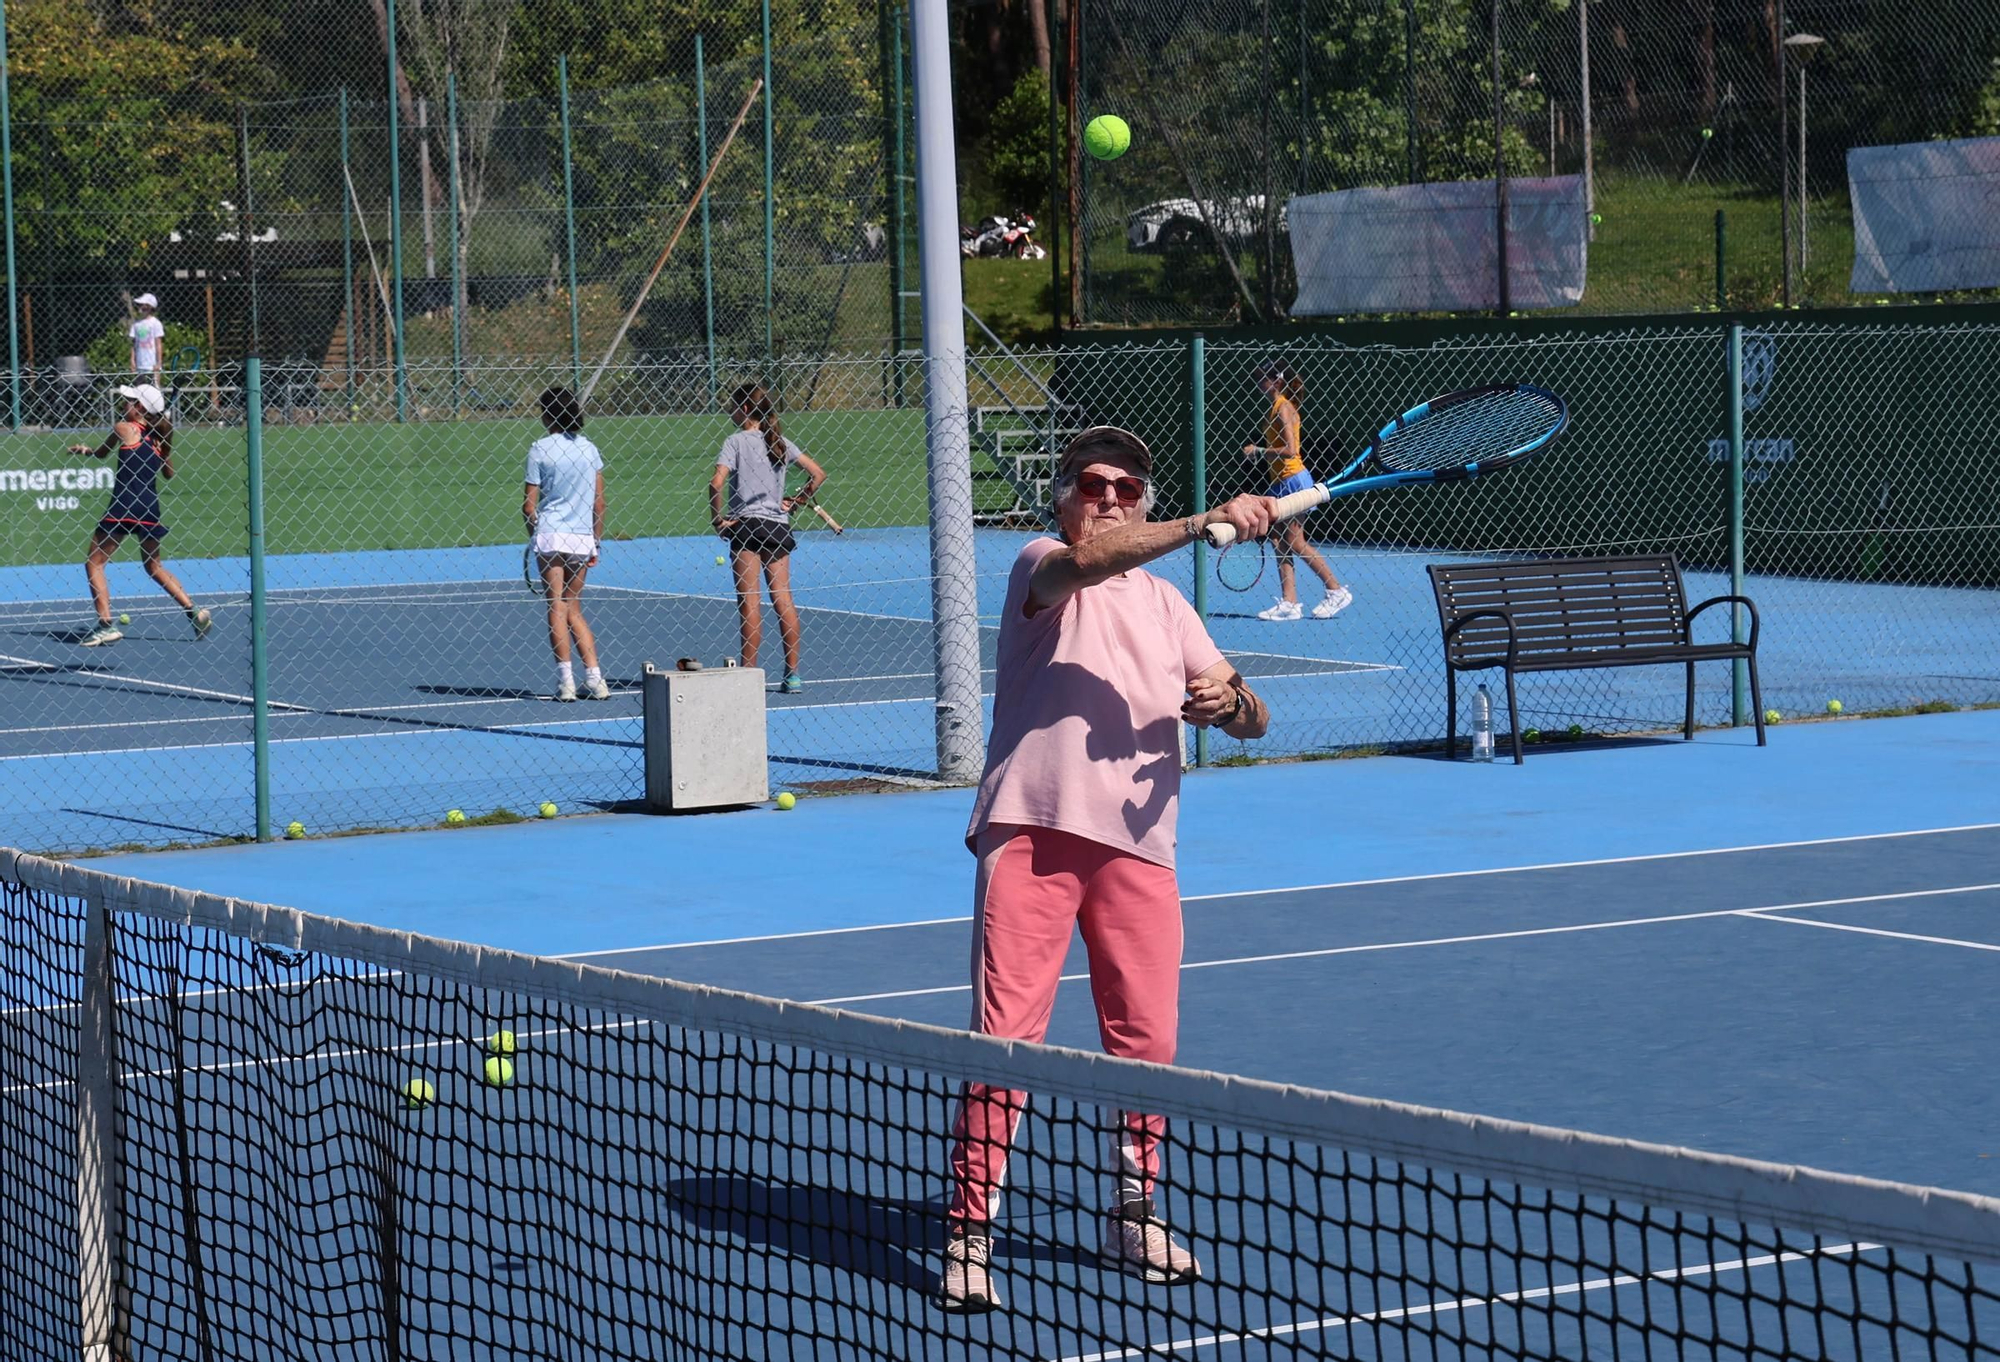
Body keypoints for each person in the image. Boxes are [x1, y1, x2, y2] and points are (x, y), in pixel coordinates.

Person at [938, 425, 1277, 1313]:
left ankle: (1135, 1213)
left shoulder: (1169, 607)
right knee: (1005, 1043)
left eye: (1128, 486)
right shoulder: (1040, 564)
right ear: (1063, 495)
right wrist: (1209, 520)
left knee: (1148, 1048)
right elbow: (1091, 564)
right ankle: (971, 1231)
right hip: (1034, 832)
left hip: (1141, 848)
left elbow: (1256, 718)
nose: (1112, 498)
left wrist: (1227, 702)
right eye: (1094, 483)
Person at [68, 383, 210, 646]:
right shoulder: (159, 442)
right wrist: (164, 446)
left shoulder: (124, 428)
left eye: (129, 400)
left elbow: (102, 453)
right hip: (149, 508)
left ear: (140, 408)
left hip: (124, 504)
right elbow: (168, 474)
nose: (123, 404)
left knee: (95, 563)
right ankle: (194, 612)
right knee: (153, 566)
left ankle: (105, 625)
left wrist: (89, 451)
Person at [708, 383, 825, 694]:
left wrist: (717, 519)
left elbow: (715, 482)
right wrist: (796, 501)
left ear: (745, 409)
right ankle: (793, 674)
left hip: (746, 528)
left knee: (750, 604)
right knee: (783, 599)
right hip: (777, 529)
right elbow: (818, 474)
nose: (729, 411)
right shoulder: (781, 442)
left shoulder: (734, 442)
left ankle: (749, 674)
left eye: (733, 406)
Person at [1243, 359, 1351, 621]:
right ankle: (1289, 603)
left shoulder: (1284, 408)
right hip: (1280, 482)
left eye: (1263, 378)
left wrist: (1258, 452)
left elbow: (1291, 450)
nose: (1259, 383)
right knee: (1278, 539)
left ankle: (1335, 590)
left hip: (1293, 480)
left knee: (1295, 540)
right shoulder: (1274, 408)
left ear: (1276, 381)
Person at [523, 385, 609, 702]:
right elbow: (599, 503)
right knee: (573, 607)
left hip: (551, 536)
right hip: (582, 538)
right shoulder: (589, 449)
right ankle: (596, 680)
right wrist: (595, 543)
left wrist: (534, 530)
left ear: (548, 415)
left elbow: (529, 506)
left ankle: (566, 683)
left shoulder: (539, 449)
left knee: (557, 606)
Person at [128, 293, 164, 386]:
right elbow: (133, 345)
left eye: (143, 305)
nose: (140, 308)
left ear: (150, 307)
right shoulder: (136, 324)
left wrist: (159, 362)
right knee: (140, 387)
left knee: (155, 386)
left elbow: (158, 344)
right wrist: (132, 361)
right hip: (140, 364)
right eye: (139, 305)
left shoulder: (155, 323)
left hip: (152, 364)